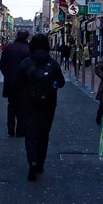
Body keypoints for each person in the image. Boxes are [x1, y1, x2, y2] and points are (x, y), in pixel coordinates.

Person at [14, 33, 65, 181]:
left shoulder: (26, 63)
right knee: (44, 134)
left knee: (30, 134)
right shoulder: (52, 63)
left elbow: (18, 84)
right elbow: (61, 82)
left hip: (29, 103)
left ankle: (32, 161)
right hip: (48, 103)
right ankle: (40, 164)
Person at [0, 30, 32, 137]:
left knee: (11, 105)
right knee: (23, 106)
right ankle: (20, 129)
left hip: (11, 81)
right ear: (27, 38)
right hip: (24, 82)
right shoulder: (29, 49)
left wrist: (7, 75)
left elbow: (2, 65)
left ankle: (11, 126)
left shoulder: (8, 48)